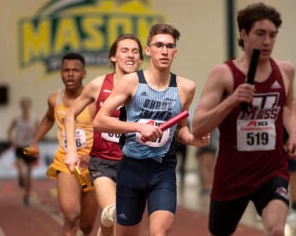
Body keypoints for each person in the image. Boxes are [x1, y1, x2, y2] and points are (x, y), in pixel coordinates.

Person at [191, 3, 296, 236]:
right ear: (244, 34)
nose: (267, 41)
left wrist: (293, 134)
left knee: (276, 230)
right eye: (260, 34)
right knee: (219, 232)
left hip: (272, 170)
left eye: (272, 35)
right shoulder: (223, 74)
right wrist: (231, 101)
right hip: (233, 175)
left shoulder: (285, 70)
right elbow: (198, 126)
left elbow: (288, 103)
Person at [90, 23, 209, 236]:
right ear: (148, 50)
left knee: (159, 232)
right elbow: (100, 120)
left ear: (175, 51)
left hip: (162, 170)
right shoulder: (131, 82)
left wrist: (191, 139)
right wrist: (138, 127)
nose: (164, 51)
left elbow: (180, 129)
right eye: (159, 45)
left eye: (169, 46)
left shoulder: (185, 87)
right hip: (131, 170)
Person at [64, 34, 143, 236]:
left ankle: (103, 231)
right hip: (103, 163)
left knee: (119, 222)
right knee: (114, 211)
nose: (130, 55)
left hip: (136, 164)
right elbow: (71, 113)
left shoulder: (147, 88)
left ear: (141, 59)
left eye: (135, 51)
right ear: (113, 57)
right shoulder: (98, 85)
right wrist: (72, 150)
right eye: (124, 50)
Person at [27, 53, 98, 235]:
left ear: (84, 74)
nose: (70, 74)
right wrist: (35, 142)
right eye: (66, 70)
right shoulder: (55, 99)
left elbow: (104, 129)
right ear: (60, 73)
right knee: (71, 216)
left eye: (75, 70)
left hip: (91, 164)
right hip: (66, 163)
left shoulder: (93, 101)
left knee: (87, 225)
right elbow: (48, 119)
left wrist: (93, 154)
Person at [7, 97, 40, 205]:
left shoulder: (34, 119)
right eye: (23, 106)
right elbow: (9, 131)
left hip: (30, 147)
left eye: (27, 106)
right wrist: (12, 141)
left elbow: (40, 131)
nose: (25, 108)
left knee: (29, 174)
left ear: (29, 107)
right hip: (20, 147)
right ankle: (20, 178)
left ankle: (27, 195)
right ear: (21, 107)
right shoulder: (17, 119)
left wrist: (36, 139)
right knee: (21, 170)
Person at [196, 129, 218, 196]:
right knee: (204, 166)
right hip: (206, 144)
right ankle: (207, 187)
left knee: (206, 167)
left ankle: (208, 187)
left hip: (208, 145)